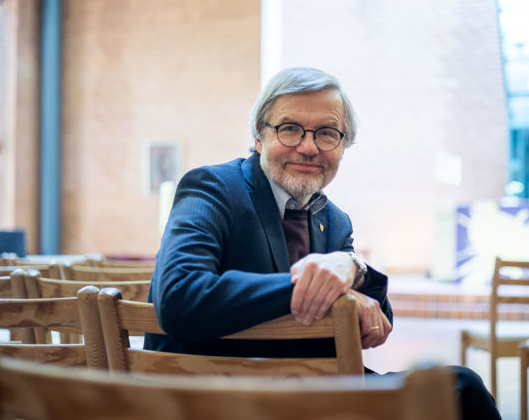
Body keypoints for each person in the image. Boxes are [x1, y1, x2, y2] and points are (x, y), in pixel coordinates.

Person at [145, 67, 500, 419]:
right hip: (216, 395)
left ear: (343, 146)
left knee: (460, 390)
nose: (309, 146)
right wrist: (317, 283)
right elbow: (180, 298)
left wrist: (354, 270)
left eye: (328, 133)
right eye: (289, 129)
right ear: (258, 137)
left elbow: (377, 320)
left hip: (306, 389)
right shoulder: (213, 188)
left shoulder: (333, 220)